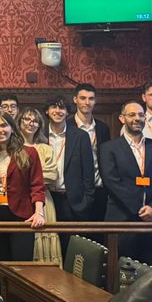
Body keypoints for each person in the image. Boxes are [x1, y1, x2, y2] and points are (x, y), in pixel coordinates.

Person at [100, 102, 152, 265]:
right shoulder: (108, 148)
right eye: (132, 115)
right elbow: (111, 181)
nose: (137, 118)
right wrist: (139, 208)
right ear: (122, 118)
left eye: (141, 115)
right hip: (122, 220)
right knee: (122, 273)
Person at [0, 114, 46, 282]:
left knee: (21, 269)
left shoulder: (29, 153)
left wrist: (39, 212)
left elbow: (37, 185)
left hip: (21, 216)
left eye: (3, 125)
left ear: (12, 127)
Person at [44, 97, 97, 235]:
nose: (57, 111)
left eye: (62, 108)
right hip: (46, 199)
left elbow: (88, 171)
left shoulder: (80, 136)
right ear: (47, 111)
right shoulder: (40, 135)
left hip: (73, 201)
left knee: (73, 248)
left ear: (67, 112)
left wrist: (86, 202)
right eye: (53, 107)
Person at [19, 108, 62, 267]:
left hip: (44, 200)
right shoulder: (14, 147)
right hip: (21, 200)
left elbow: (52, 175)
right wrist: (34, 176)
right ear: (19, 122)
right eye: (27, 119)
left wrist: (27, 177)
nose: (31, 123)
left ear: (39, 124)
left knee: (46, 239)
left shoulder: (45, 148)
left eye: (35, 120)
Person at [73, 83, 111, 219]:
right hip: (75, 190)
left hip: (99, 188)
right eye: (83, 98)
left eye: (91, 98)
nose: (87, 102)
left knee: (98, 235)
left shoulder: (102, 128)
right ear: (75, 100)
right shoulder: (67, 126)